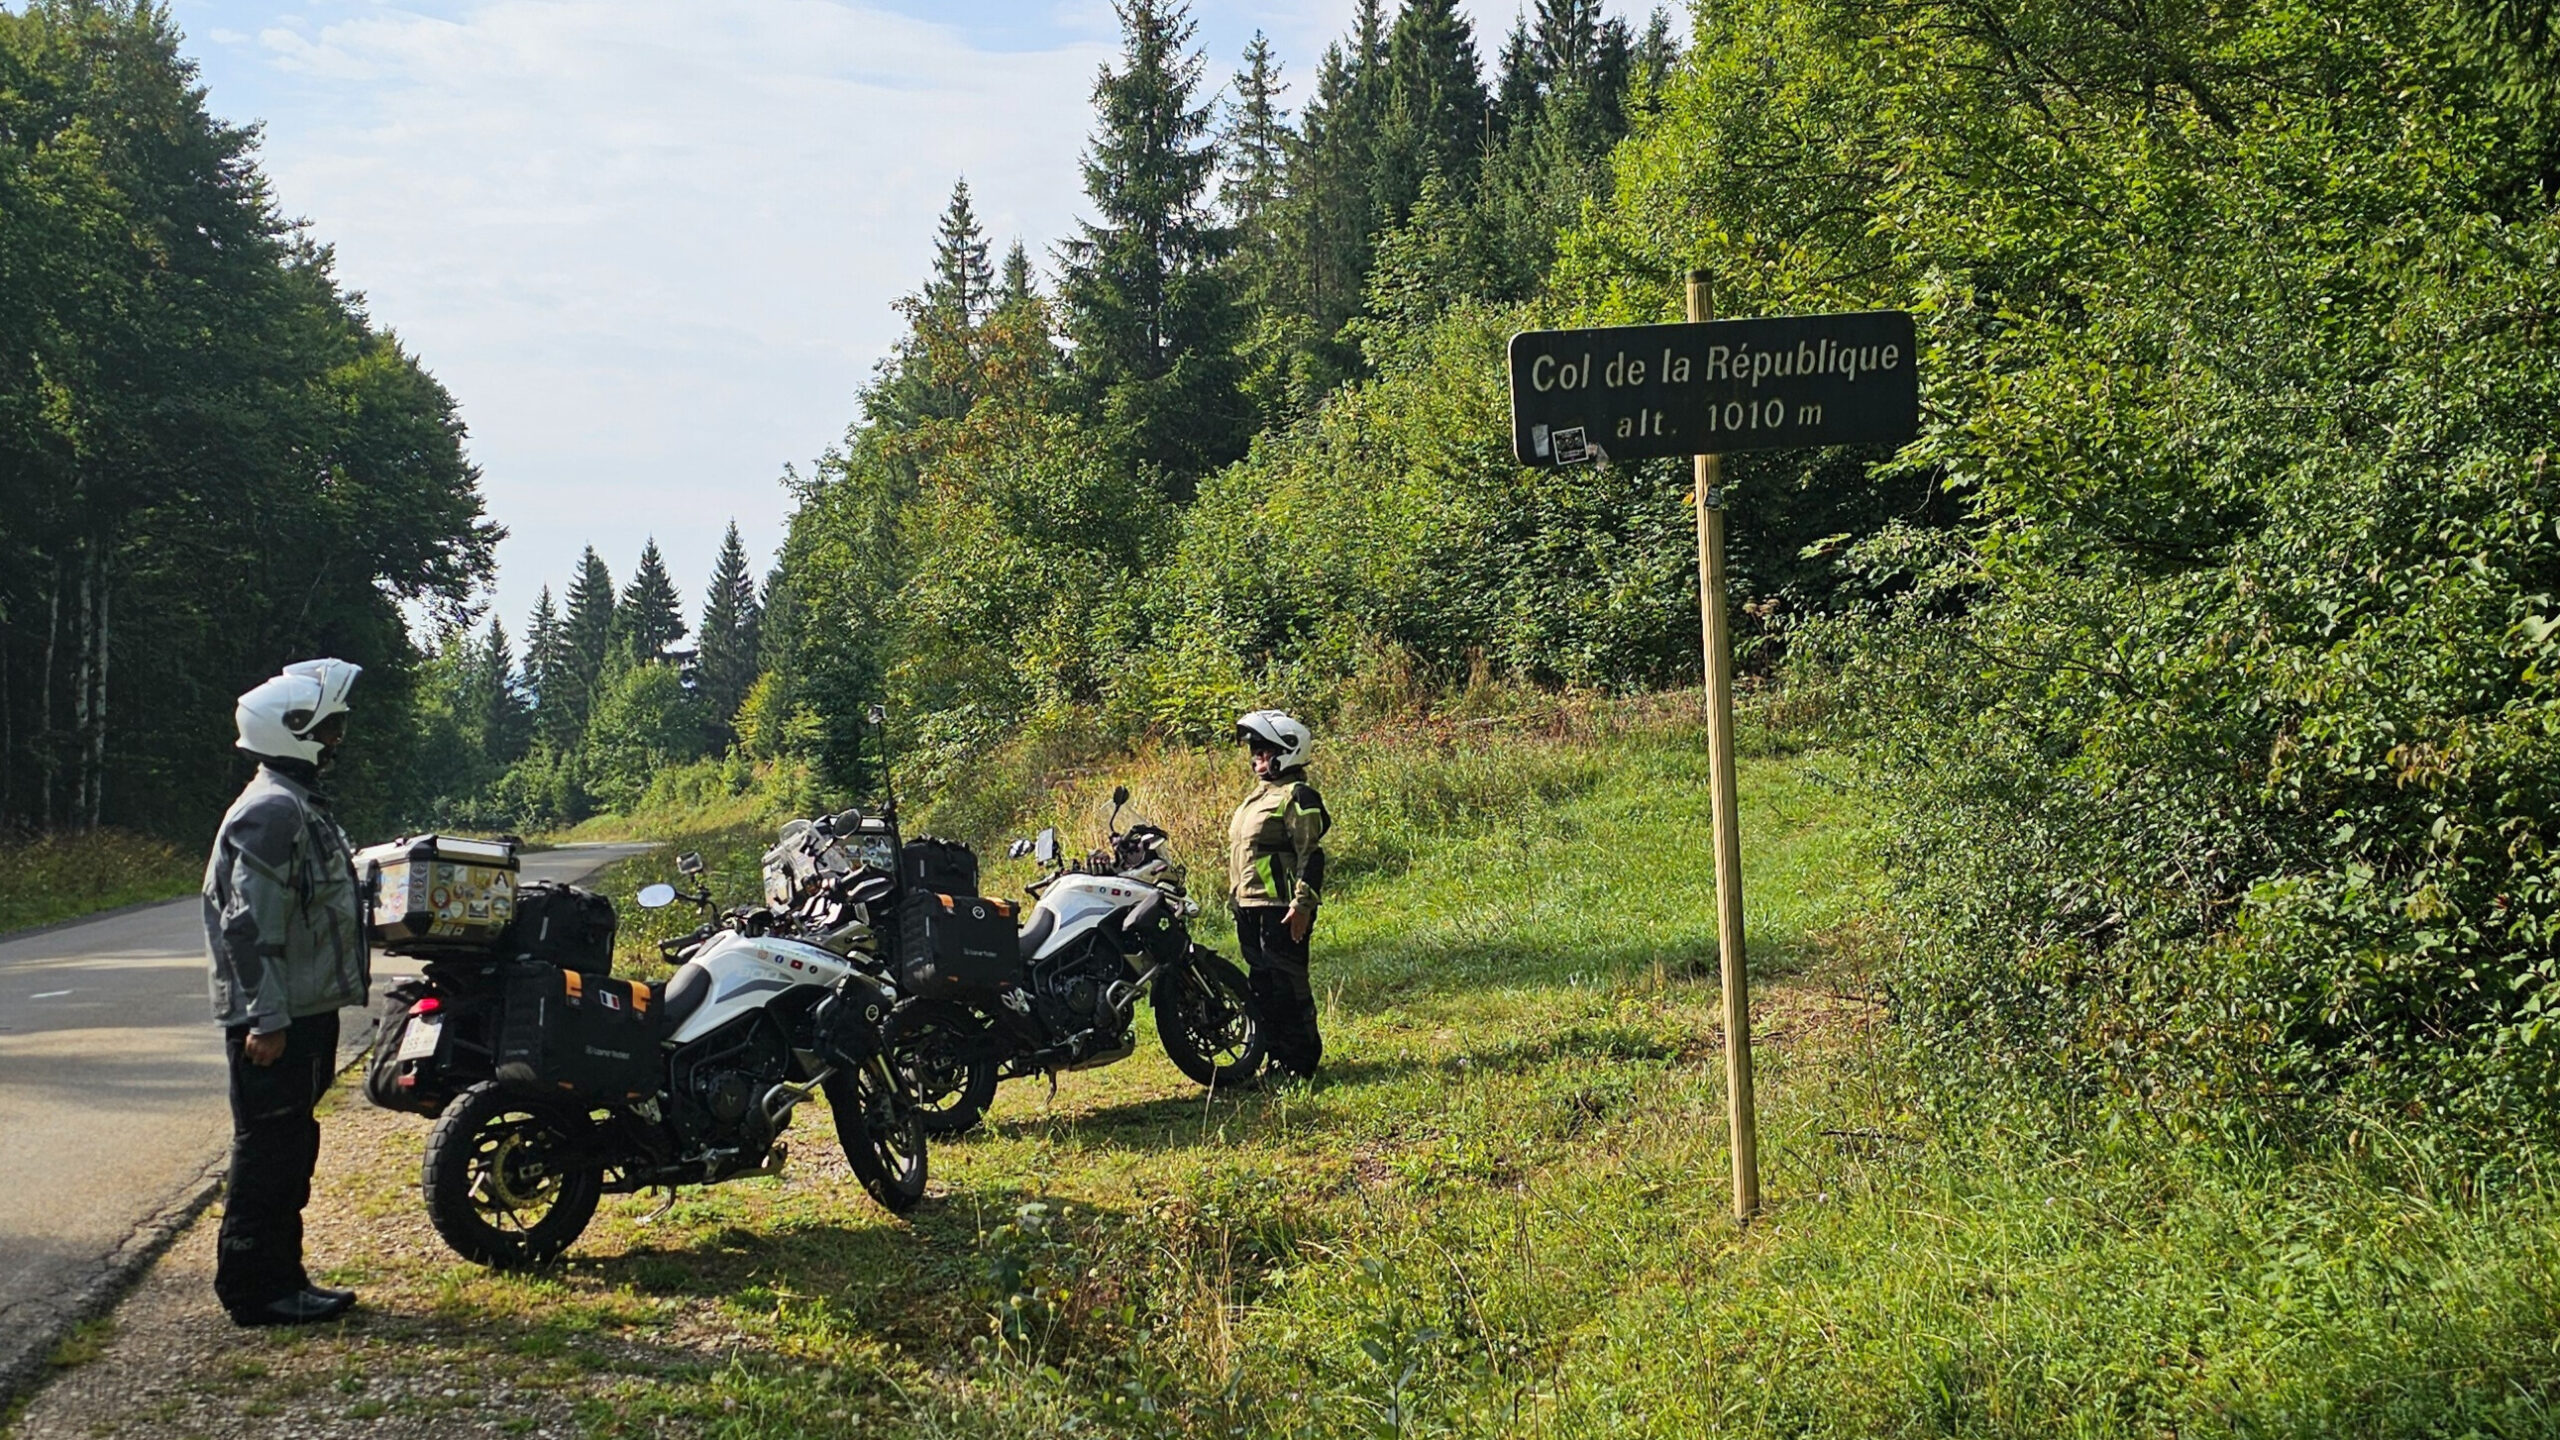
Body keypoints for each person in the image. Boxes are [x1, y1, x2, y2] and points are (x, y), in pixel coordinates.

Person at [202, 658, 369, 1327]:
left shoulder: (292, 803)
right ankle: (254, 1288)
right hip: (275, 1019)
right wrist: (266, 1018)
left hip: (300, 1009)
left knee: (289, 1147)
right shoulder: (273, 810)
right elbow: (246, 924)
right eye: (327, 728)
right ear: (291, 729)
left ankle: (283, 1278)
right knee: (269, 1152)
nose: (335, 742)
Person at [1227, 710, 1330, 1082]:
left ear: (1287, 750)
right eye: (1253, 749)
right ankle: (1275, 1061)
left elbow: (1311, 854)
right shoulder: (1258, 796)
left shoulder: (1297, 795)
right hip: (1249, 907)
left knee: (1287, 986)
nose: (1255, 756)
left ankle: (1300, 1063)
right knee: (1262, 988)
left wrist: (1302, 905)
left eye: (1263, 749)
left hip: (1281, 910)